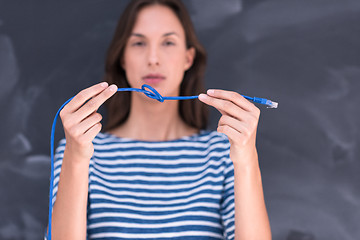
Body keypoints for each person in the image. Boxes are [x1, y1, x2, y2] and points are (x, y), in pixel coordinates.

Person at [48, 0, 271, 239]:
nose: (153, 58)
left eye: (168, 42)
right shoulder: (79, 149)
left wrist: (247, 160)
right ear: (123, 58)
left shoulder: (223, 151)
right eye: (139, 43)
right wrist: (77, 159)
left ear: (188, 58)